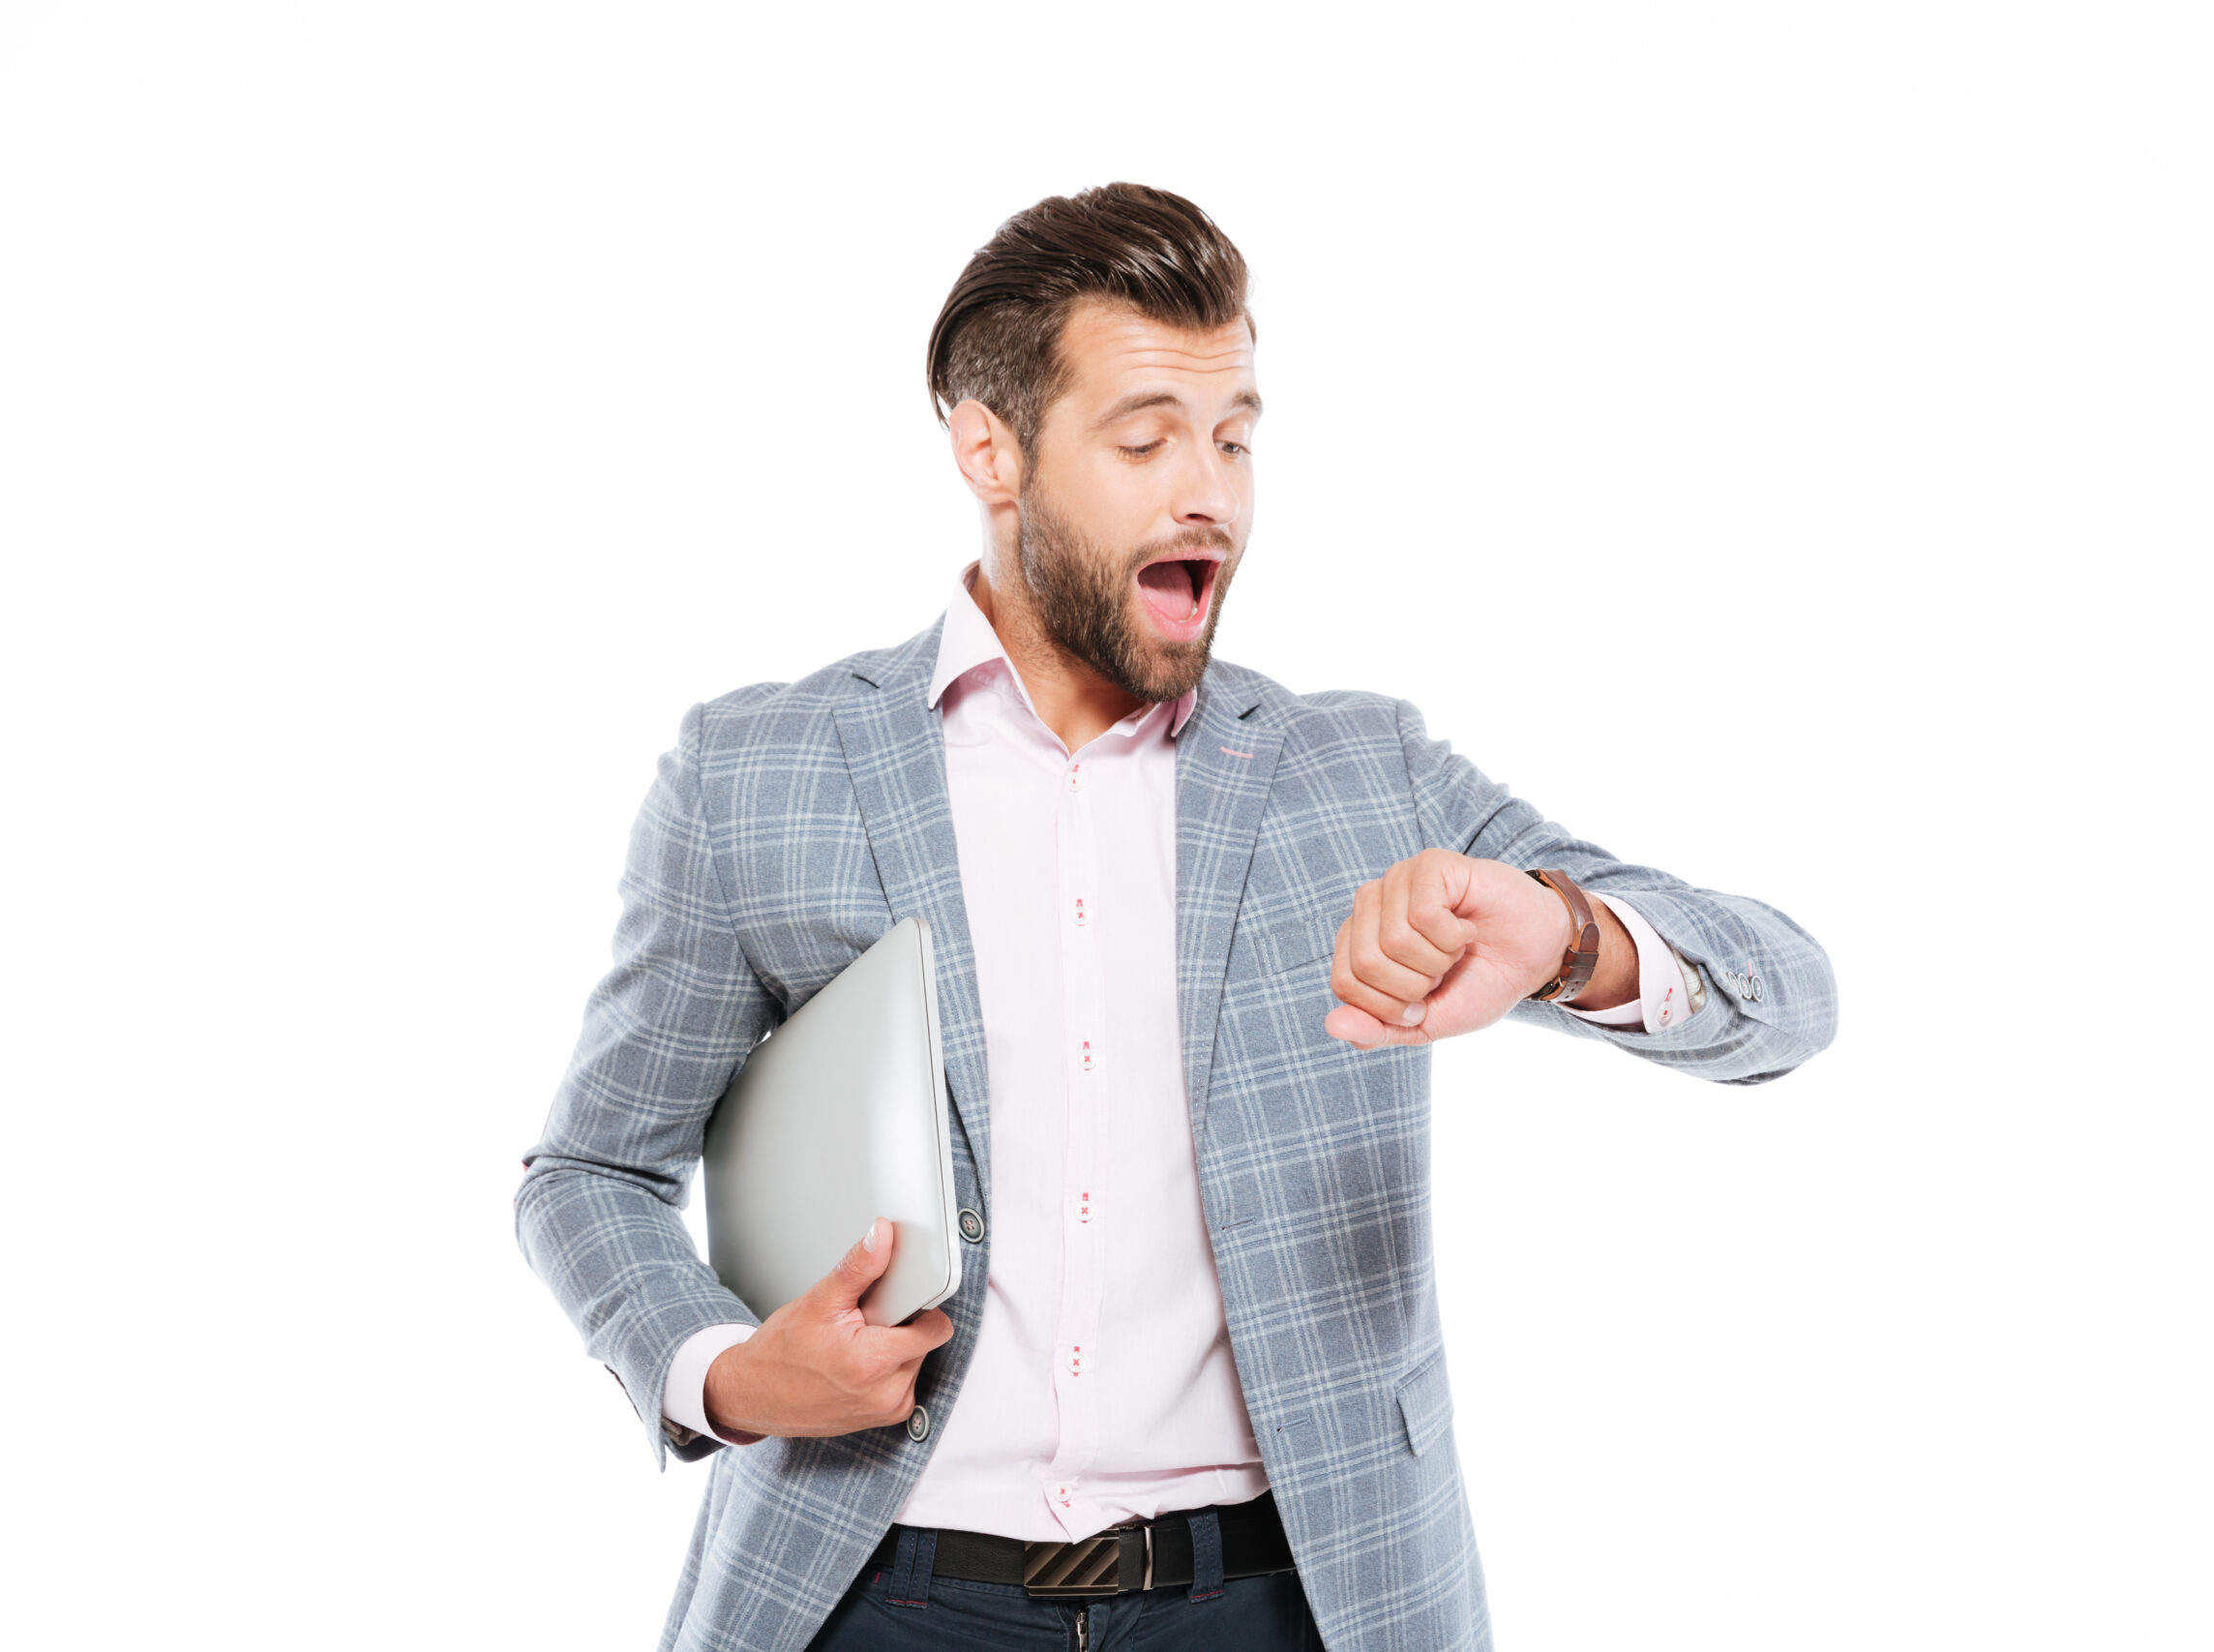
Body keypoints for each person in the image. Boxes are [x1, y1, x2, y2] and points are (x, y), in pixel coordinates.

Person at [518, 182, 1836, 1652]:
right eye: (1144, 439)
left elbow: (1786, 997)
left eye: (1234, 437)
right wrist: (725, 1373)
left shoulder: (1357, 772)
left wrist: (1566, 933)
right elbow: (587, 1171)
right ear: (989, 451)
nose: (1206, 488)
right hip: (871, 1590)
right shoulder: (756, 772)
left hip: (1284, 1600)